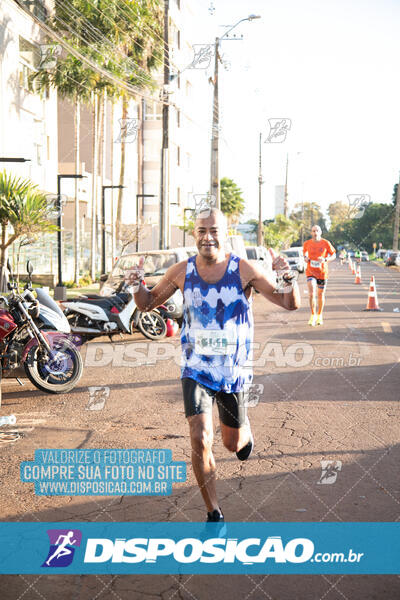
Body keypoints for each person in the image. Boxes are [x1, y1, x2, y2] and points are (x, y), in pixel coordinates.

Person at [126, 208, 300, 522]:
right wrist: (137, 284)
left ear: (224, 232)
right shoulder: (182, 271)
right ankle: (213, 511)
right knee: (199, 436)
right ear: (194, 234)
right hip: (196, 368)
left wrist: (288, 277)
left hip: (233, 372)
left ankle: (244, 433)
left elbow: (288, 303)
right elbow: (148, 303)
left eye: (214, 230)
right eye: (202, 230)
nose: (208, 237)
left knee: (232, 444)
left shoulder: (242, 269)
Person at [303, 225, 336, 326]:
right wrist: (306, 258)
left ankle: (319, 315)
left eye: (317, 230)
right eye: (313, 231)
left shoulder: (326, 243)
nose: (315, 232)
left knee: (321, 294)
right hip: (310, 272)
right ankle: (312, 315)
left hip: (322, 273)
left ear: (320, 232)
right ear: (311, 233)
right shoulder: (307, 243)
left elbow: (334, 255)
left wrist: (325, 259)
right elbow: (305, 254)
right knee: (312, 293)